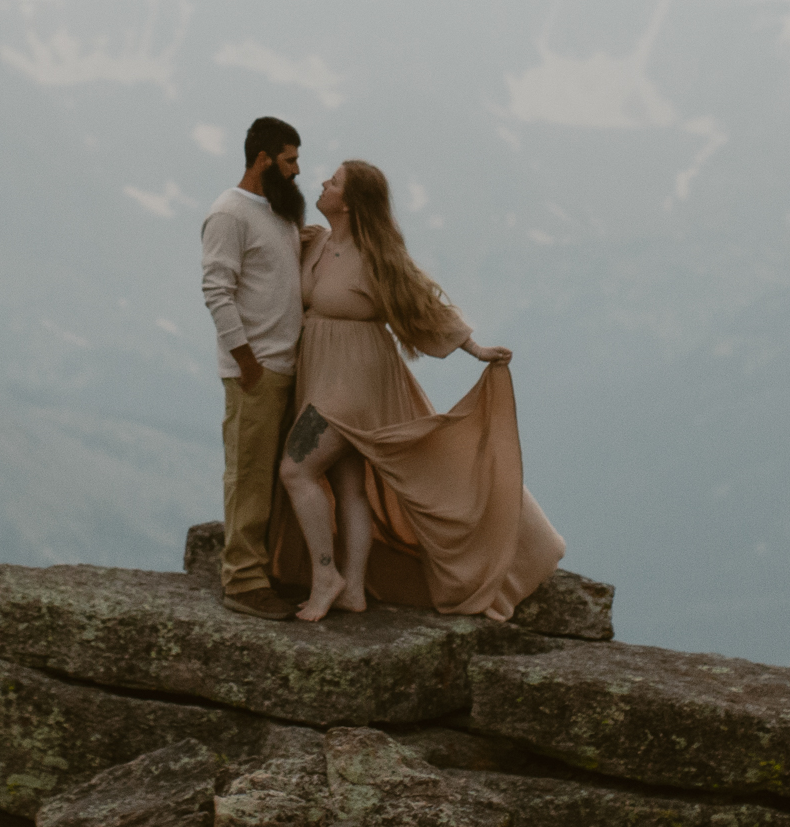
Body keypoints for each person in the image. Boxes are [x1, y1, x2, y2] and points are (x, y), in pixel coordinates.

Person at [273, 159, 565, 622]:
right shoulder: (319, 243)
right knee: (348, 483)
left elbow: (422, 303)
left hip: (352, 383)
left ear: (348, 202)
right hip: (322, 374)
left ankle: (326, 576)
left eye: (334, 182)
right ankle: (353, 590)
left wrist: (476, 348)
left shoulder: (375, 258)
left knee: (296, 470)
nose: (324, 185)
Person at [200, 116, 310, 619]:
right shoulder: (229, 213)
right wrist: (246, 361)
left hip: (286, 366)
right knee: (248, 476)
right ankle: (243, 583)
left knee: (275, 479)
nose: (297, 170)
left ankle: (267, 572)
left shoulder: (279, 214)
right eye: (289, 160)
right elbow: (217, 290)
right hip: (258, 368)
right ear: (264, 159)